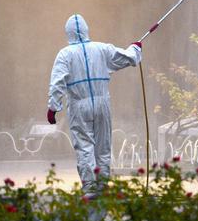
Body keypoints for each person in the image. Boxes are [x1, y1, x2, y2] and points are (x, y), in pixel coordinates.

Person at [47, 13, 143, 198]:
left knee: (84, 146)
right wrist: (135, 49)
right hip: (102, 103)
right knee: (103, 145)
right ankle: (103, 185)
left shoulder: (65, 54)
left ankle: (90, 187)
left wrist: (53, 107)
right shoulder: (101, 49)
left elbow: (57, 81)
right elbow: (126, 58)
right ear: (86, 29)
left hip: (79, 105)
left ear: (68, 33)